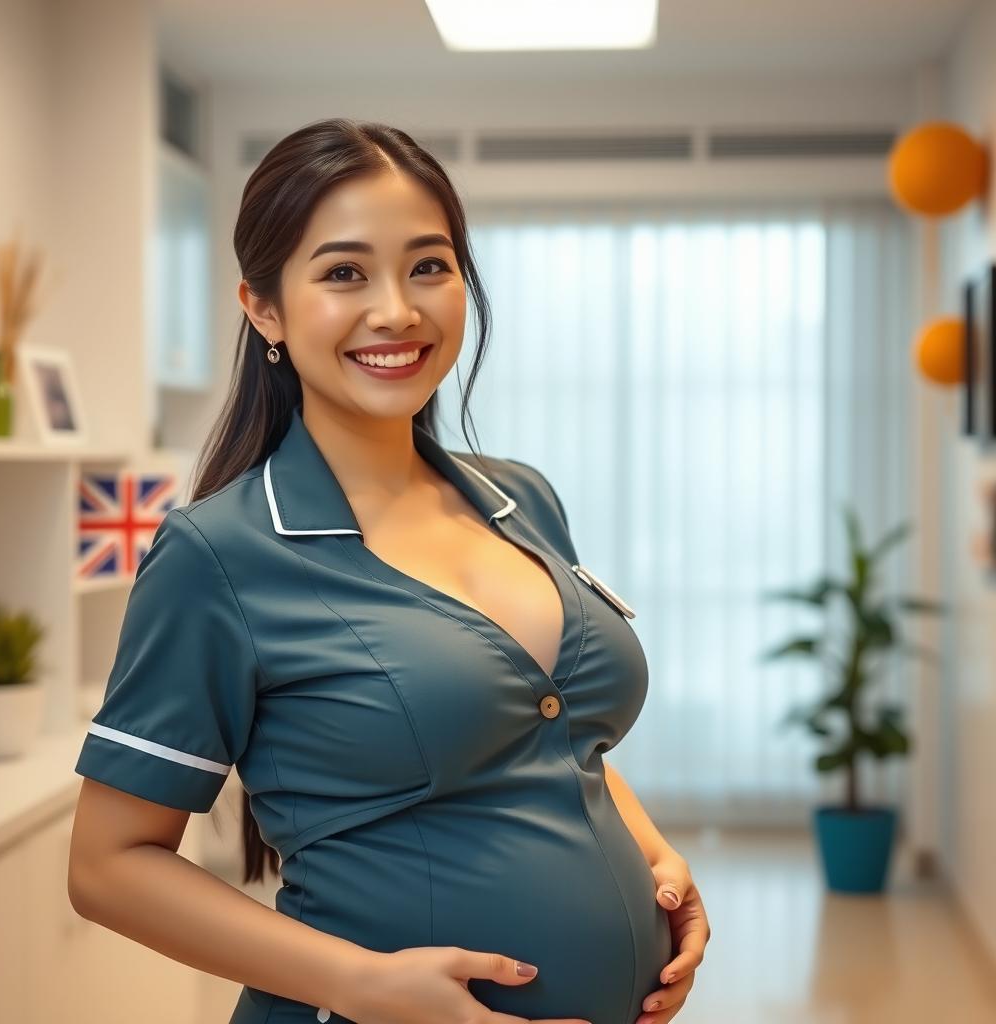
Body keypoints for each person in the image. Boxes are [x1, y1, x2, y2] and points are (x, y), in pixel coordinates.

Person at [67, 118, 710, 1024]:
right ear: (263, 308)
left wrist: (655, 864)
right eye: (343, 273)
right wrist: (363, 985)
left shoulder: (521, 500)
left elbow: (552, 741)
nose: (398, 311)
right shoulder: (218, 557)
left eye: (428, 266)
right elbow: (108, 867)